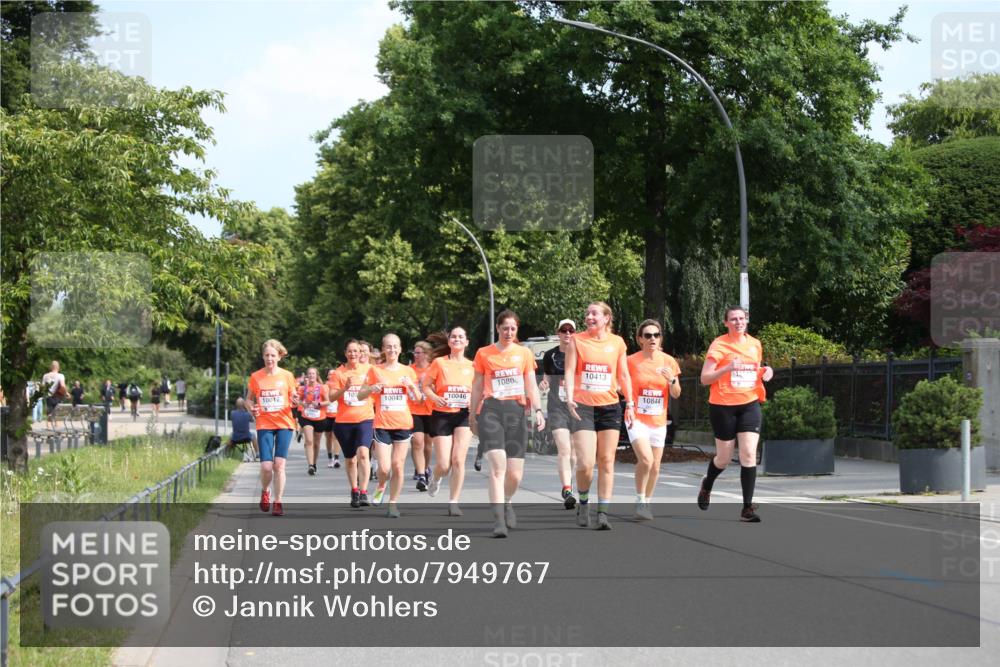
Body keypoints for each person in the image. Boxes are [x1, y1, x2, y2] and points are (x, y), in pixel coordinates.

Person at [470, 311, 545, 538]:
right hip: (491, 411)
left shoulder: (524, 353)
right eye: (505, 328)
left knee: (515, 475)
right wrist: (472, 416)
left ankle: (508, 500)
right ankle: (499, 520)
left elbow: (531, 385)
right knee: (497, 468)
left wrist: (538, 410)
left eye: (513, 328)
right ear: (498, 328)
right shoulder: (484, 353)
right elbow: (476, 386)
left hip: (516, 412)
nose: (509, 332)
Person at [697, 306, 773, 523]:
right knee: (724, 458)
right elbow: (705, 378)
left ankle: (747, 508)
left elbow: (754, 371)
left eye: (742, 318)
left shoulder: (754, 344)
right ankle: (707, 485)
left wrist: (767, 371)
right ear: (726, 323)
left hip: (749, 403)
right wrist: (727, 368)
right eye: (733, 319)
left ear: (746, 320)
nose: (739, 322)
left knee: (748, 455)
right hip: (723, 406)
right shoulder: (719, 344)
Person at [564, 301, 634, 531]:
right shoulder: (577, 340)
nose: (589, 317)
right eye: (587, 314)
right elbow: (569, 371)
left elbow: (623, 374)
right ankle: (583, 502)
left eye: (594, 313)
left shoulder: (617, 343)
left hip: (610, 407)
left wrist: (630, 403)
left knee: (606, 460)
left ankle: (603, 513)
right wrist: (569, 397)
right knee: (585, 463)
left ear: (606, 318)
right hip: (583, 406)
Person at [626, 319, 682, 520]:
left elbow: (676, 393)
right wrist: (627, 399)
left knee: (655, 466)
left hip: (659, 419)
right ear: (640, 339)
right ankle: (640, 499)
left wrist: (672, 380)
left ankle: (646, 502)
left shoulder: (668, 361)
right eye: (648, 335)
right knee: (646, 460)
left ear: (660, 339)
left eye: (656, 335)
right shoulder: (631, 361)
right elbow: (619, 384)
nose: (652, 339)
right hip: (636, 417)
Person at [359, 333, 420, 518]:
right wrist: (372, 388)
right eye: (388, 346)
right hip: (382, 424)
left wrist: (411, 386)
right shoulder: (375, 371)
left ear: (400, 349)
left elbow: (417, 399)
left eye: (395, 346)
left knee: (398, 466)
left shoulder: (408, 371)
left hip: (403, 424)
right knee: (384, 468)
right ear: (383, 349)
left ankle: (393, 504)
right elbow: (360, 395)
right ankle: (381, 485)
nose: (392, 350)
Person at [421, 327, 475, 516]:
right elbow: (425, 386)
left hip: (463, 415)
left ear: (467, 342)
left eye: (461, 336)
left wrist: (474, 402)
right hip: (442, 414)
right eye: (454, 336)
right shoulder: (439, 363)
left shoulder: (473, 366)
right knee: (444, 464)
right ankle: (435, 478)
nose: (457, 339)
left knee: (458, 460)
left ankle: (454, 502)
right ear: (449, 341)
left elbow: (480, 391)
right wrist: (434, 398)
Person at [245, 339, 298, 517]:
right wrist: (251, 407)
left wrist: (296, 400)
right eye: (267, 355)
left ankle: (278, 501)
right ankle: (266, 491)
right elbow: (248, 399)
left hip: (284, 423)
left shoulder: (287, 376)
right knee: (267, 466)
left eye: (273, 355)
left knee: (279, 465)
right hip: (264, 424)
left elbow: (294, 397)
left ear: (279, 357)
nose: (269, 359)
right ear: (263, 357)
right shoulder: (256, 377)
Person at [328, 340, 375, 508]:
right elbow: (331, 398)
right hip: (344, 422)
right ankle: (354, 490)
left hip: (365, 418)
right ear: (345, 353)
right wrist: (344, 389)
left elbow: (376, 389)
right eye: (350, 351)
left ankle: (363, 492)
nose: (353, 354)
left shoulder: (369, 370)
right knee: (350, 459)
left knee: (363, 453)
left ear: (361, 353)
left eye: (356, 351)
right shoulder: (338, 373)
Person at [540, 319, 578, 509]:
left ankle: (569, 483)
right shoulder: (550, 355)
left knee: (574, 455)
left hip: (577, 407)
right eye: (564, 330)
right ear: (558, 333)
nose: (567, 333)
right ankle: (567, 489)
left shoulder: (580, 354)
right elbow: (546, 376)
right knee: (564, 449)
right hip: (557, 407)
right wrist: (544, 383)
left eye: (571, 330)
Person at [409, 341, 434, 491]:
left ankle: (425, 467)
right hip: (414, 410)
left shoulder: (433, 369)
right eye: (415, 353)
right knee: (417, 442)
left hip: (431, 410)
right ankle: (421, 475)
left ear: (426, 354)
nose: (416, 355)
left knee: (428, 444)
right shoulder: (409, 370)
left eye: (419, 353)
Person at [298, 367, 327, 475]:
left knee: (316, 443)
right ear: (307, 376)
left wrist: (319, 404)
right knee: (309, 441)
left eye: (313, 374)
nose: (311, 375)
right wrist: (302, 404)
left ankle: (314, 463)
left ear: (316, 375)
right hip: (307, 417)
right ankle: (310, 465)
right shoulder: (302, 389)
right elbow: (299, 401)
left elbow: (328, 401)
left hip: (320, 417)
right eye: (309, 374)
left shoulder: (322, 388)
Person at [323, 369, 342, 469]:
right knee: (328, 437)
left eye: (334, 374)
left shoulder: (339, 386)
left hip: (337, 414)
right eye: (330, 374)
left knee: (336, 437)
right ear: (327, 376)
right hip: (326, 415)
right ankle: (330, 458)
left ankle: (336, 458)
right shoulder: (324, 387)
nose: (332, 375)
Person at [230, 397, 258, 462]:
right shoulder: (247, 414)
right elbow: (253, 419)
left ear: (236, 405)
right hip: (246, 437)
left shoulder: (232, 413)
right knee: (253, 434)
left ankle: (229, 453)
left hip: (235, 438)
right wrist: (247, 408)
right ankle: (257, 453)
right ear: (244, 405)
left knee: (231, 435)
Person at [41, 361, 66, 426]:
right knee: (57, 414)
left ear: (51, 367)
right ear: (58, 367)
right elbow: (63, 386)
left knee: (49, 414)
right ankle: (56, 430)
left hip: (48, 397)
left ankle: (48, 430)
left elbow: (42, 387)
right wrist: (67, 393)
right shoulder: (61, 375)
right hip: (57, 397)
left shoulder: (45, 375)